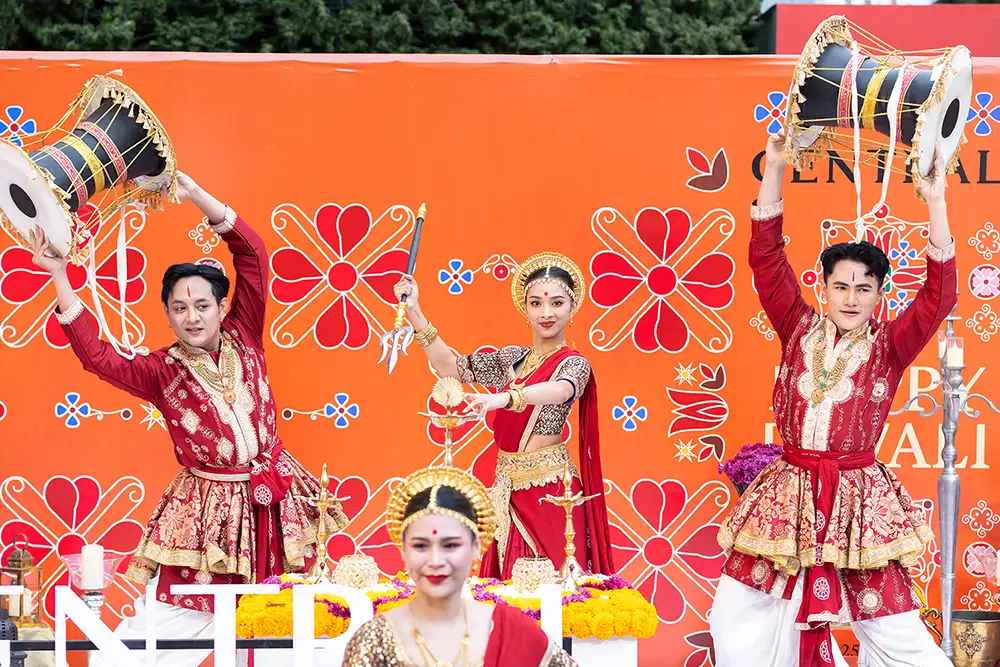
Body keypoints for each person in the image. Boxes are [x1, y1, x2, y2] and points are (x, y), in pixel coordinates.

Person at [29, 172, 348, 667]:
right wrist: (59, 275)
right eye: (179, 308)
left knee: (290, 627)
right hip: (208, 515)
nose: (192, 317)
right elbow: (98, 357)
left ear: (223, 307)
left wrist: (196, 195)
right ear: (167, 314)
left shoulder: (245, 333)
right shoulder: (161, 371)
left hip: (276, 498)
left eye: (202, 305)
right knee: (164, 633)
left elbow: (253, 256)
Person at [709, 129, 956, 667]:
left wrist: (935, 200)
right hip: (789, 494)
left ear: (880, 294)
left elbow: (939, 297)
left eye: (864, 288)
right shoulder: (796, 326)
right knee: (734, 613)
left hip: (858, 499)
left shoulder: (891, 345)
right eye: (840, 286)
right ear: (822, 287)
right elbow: (765, 260)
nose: (850, 298)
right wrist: (776, 166)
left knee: (894, 631)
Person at [391, 253, 613, 580]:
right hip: (508, 491)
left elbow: (561, 390)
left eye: (557, 303)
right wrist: (414, 311)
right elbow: (448, 366)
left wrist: (507, 398)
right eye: (536, 303)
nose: (546, 313)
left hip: (552, 492)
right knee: (510, 590)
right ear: (526, 308)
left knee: (557, 589)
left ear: (572, 307)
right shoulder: (511, 361)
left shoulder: (574, 364)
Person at [342, 462, 577, 666]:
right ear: (403, 550)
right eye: (421, 546)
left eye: (451, 545)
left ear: (476, 547)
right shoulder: (374, 640)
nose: (435, 561)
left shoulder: (513, 632)